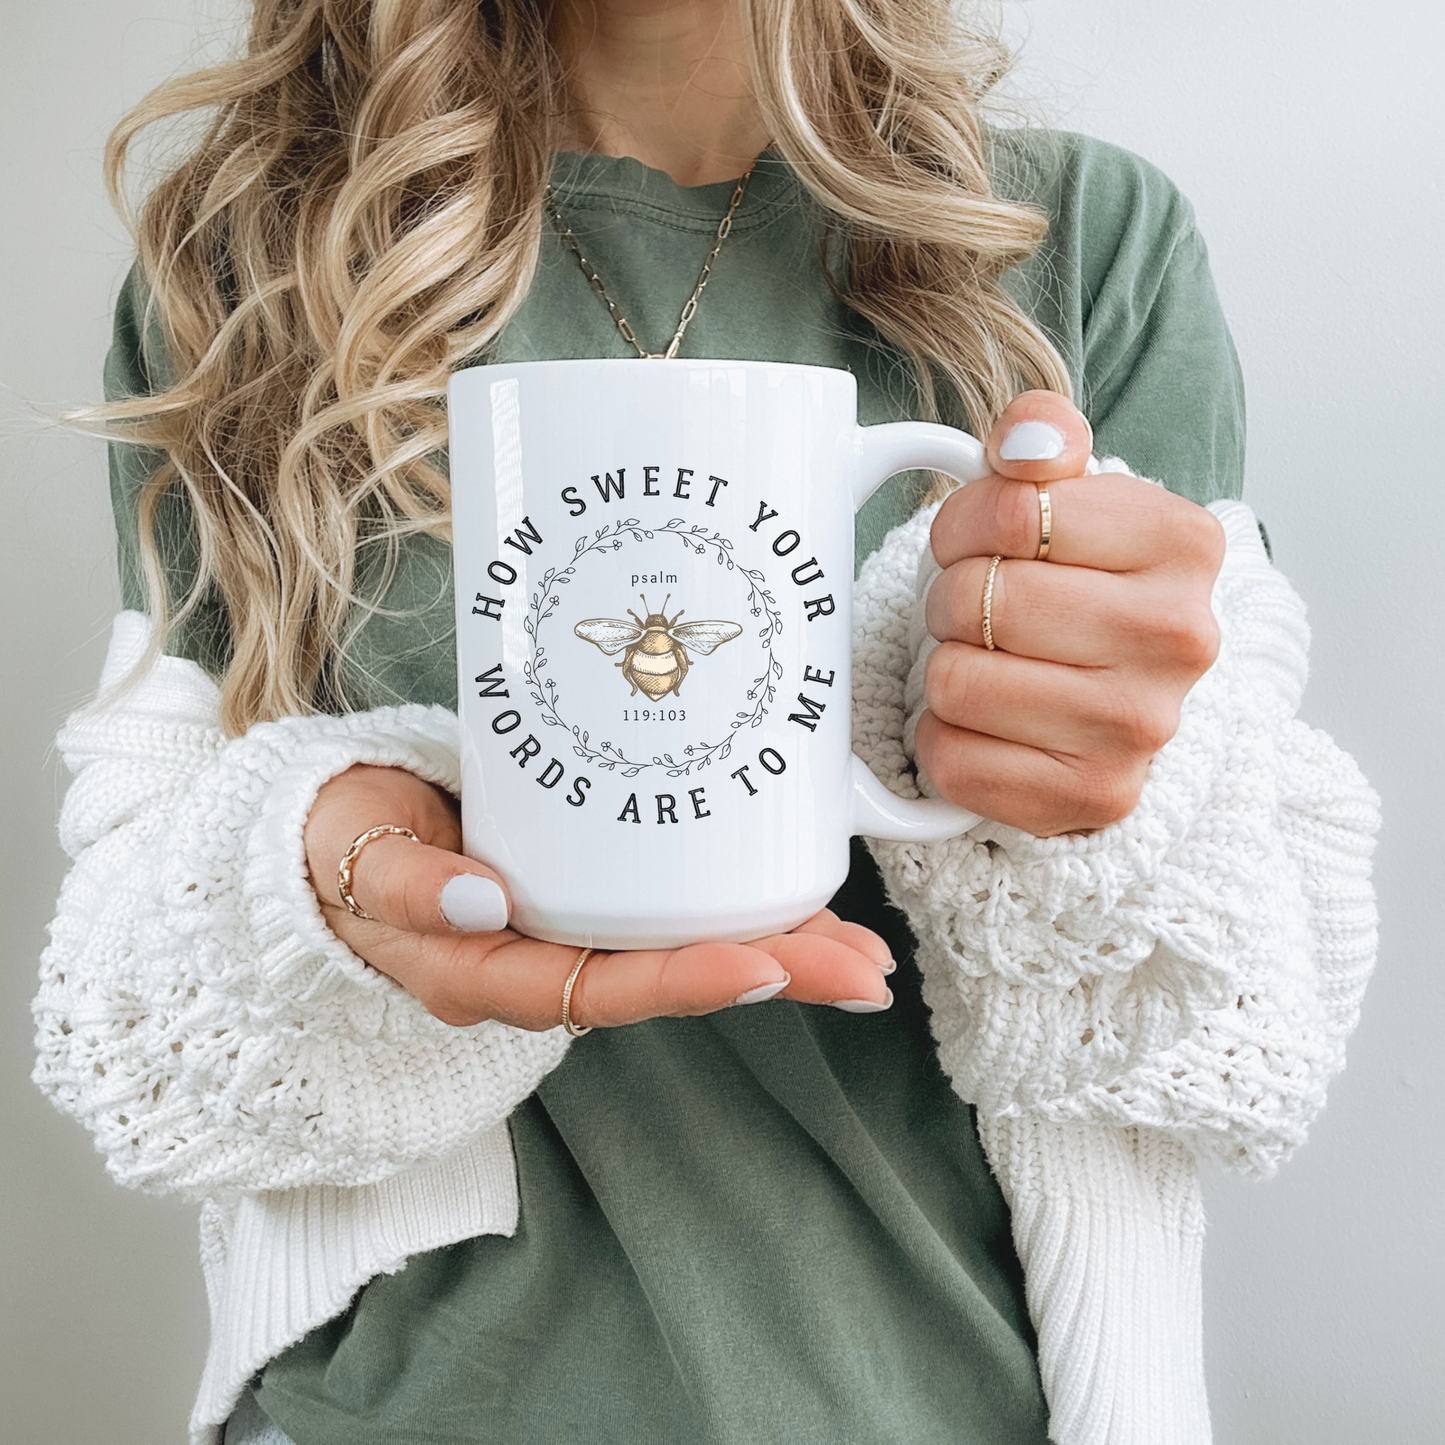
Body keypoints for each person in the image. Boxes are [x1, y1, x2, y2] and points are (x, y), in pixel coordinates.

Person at [32, 1, 1380, 1442]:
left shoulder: (1071, 241)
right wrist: (310, 881)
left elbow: (1245, 1014)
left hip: (956, 1396)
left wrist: (1106, 774)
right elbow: (128, 972)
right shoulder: (254, 266)